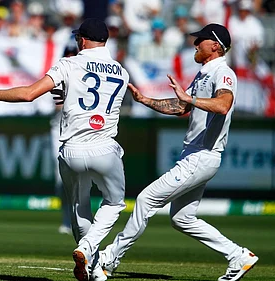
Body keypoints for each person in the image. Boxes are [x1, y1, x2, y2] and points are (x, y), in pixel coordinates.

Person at [0, 18, 129, 281]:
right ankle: (89, 252)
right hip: (104, 147)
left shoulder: (68, 64)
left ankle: (93, 267)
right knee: (114, 203)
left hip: (72, 149)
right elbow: (97, 101)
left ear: (82, 40)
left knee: (79, 208)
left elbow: (29, 94)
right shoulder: (121, 73)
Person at [98, 23, 259, 281]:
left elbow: (223, 105)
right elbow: (180, 107)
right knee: (182, 218)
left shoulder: (223, 72)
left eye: (202, 40)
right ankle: (238, 256)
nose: (195, 44)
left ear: (216, 46)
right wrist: (146, 100)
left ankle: (108, 258)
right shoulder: (204, 72)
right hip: (195, 155)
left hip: (202, 154)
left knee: (145, 200)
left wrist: (190, 99)